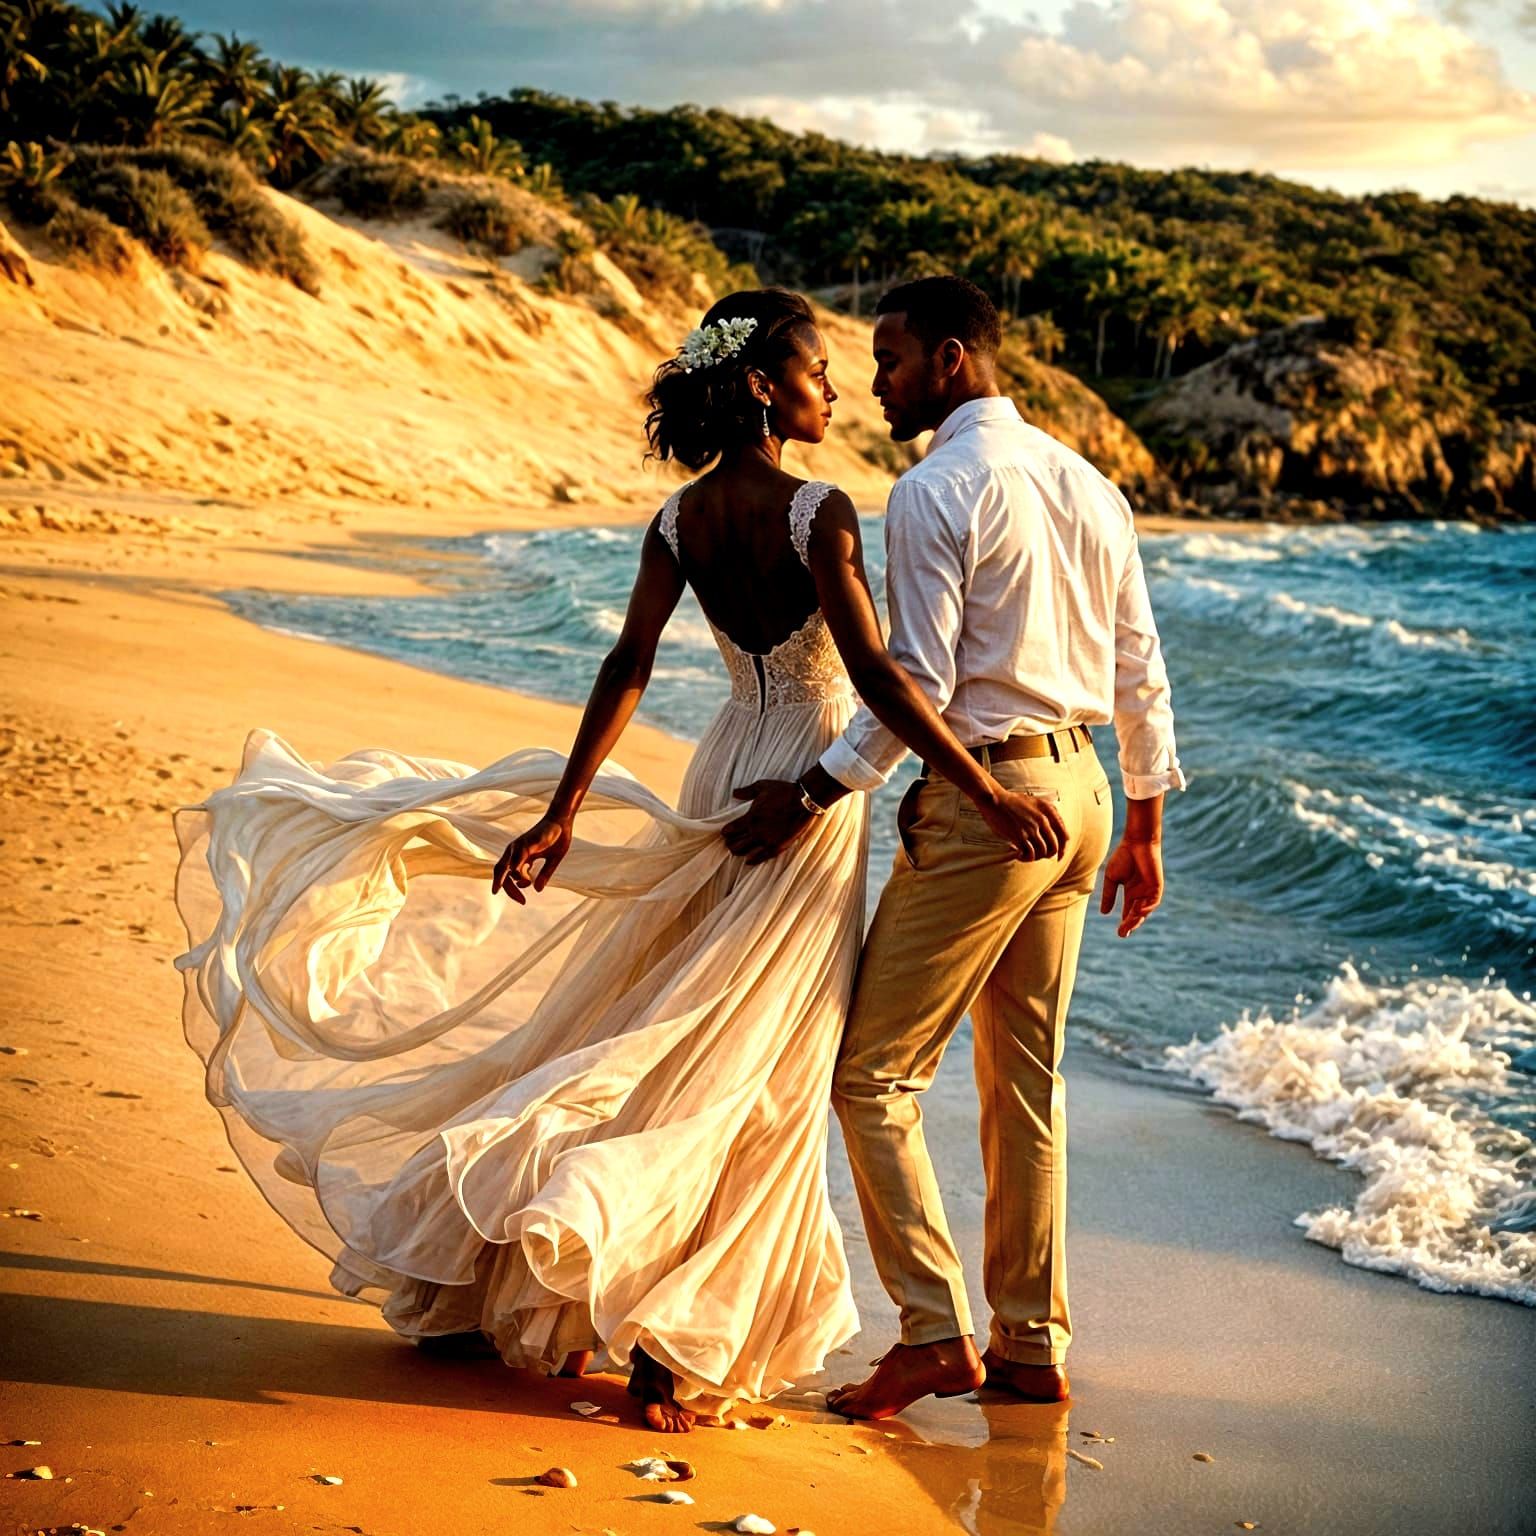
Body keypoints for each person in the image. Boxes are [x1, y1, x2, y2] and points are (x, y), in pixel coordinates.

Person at [174, 287, 1061, 1437]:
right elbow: (885, 679)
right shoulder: (821, 511)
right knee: (754, 1063)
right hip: (802, 791)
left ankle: (598, 1286)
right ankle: (666, 1337)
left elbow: (627, 664)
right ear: (760, 385)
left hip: (722, 767)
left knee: (677, 1024)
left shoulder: (678, 519)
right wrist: (983, 787)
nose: (835, 390)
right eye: (816, 370)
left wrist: (563, 810)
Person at [725, 275, 1186, 1420]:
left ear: (948, 358)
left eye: (886, 359)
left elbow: (919, 682)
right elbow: (1140, 665)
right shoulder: (1090, 482)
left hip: (991, 806)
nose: (873, 381)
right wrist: (1142, 824)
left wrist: (817, 791)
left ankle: (933, 1333)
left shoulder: (938, 487)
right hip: (1077, 794)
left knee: (872, 1078)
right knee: (1025, 1087)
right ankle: (1031, 1345)